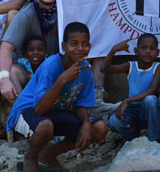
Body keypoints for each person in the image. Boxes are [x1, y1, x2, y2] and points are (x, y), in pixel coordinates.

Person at [6, 22, 108, 172]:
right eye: (74, 44)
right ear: (64, 45)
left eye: (85, 44)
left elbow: (82, 104)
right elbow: (39, 109)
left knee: (98, 128)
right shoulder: (51, 65)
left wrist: (86, 123)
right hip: (29, 110)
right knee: (46, 126)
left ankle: (48, 155)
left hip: (59, 112)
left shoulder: (85, 68)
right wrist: (62, 80)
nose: (80, 49)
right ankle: (31, 157)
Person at [0, 0, 59, 102]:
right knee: (12, 73)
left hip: (55, 66)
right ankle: (22, 114)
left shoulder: (64, 11)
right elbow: (5, 48)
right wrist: (3, 79)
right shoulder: (26, 15)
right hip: (29, 67)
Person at [103, 35, 160, 142]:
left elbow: (152, 90)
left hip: (148, 111)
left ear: (157, 52)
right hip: (131, 111)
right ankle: (133, 138)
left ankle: (153, 140)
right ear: (136, 51)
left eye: (152, 48)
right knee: (112, 122)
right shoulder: (130, 66)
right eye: (144, 48)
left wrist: (127, 100)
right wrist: (113, 50)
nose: (148, 51)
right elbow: (104, 69)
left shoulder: (158, 66)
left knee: (150, 100)